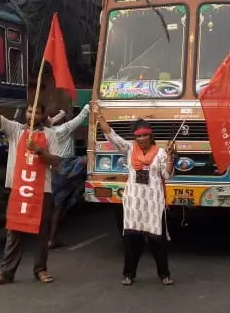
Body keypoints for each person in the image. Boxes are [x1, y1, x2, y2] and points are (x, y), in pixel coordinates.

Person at [0, 76, 62, 286]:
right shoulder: (16, 130)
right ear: (25, 113)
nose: (33, 115)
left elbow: (56, 162)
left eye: (38, 112)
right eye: (30, 111)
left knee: (41, 233)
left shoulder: (50, 135)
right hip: (19, 188)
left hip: (41, 190)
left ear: (43, 115)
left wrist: (40, 152)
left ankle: (40, 270)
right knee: (14, 231)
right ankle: (6, 273)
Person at [92, 105, 175, 287]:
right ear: (134, 137)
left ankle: (164, 274)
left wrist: (170, 158)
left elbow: (167, 176)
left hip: (154, 203)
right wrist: (99, 116)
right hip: (133, 203)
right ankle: (129, 274)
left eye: (145, 135)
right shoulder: (129, 149)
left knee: (157, 241)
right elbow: (111, 135)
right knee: (132, 240)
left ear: (151, 136)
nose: (142, 139)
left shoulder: (160, 153)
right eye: (138, 136)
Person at [47, 102, 91, 249]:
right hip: (66, 166)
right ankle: (52, 238)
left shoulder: (47, 131)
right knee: (90, 159)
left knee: (57, 205)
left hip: (55, 169)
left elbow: (53, 119)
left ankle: (51, 237)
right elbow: (81, 116)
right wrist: (91, 102)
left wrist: (62, 113)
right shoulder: (63, 129)